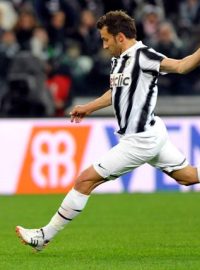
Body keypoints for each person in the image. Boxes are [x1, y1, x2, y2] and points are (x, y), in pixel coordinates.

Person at [16, 10, 200, 251]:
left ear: (120, 37)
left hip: (141, 140)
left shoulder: (143, 56)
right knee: (187, 176)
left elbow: (182, 66)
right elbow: (116, 92)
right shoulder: (118, 60)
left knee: (84, 180)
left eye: (106, 39)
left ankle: (44, 236)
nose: (103, 45)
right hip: (153, 132)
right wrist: (89, 107)